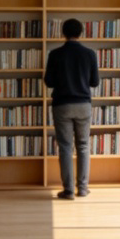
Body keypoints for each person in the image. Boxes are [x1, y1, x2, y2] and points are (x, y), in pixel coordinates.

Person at [43, 17, 99, 199]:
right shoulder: (90, 54)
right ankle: (83, 188)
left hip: (62, 105)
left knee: (65, 147)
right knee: (83, 146)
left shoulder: (55, 54)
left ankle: (68, 190)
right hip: (83, 105)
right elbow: (94, 82)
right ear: (81, 32)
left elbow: (49, 82)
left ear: (63, 33)